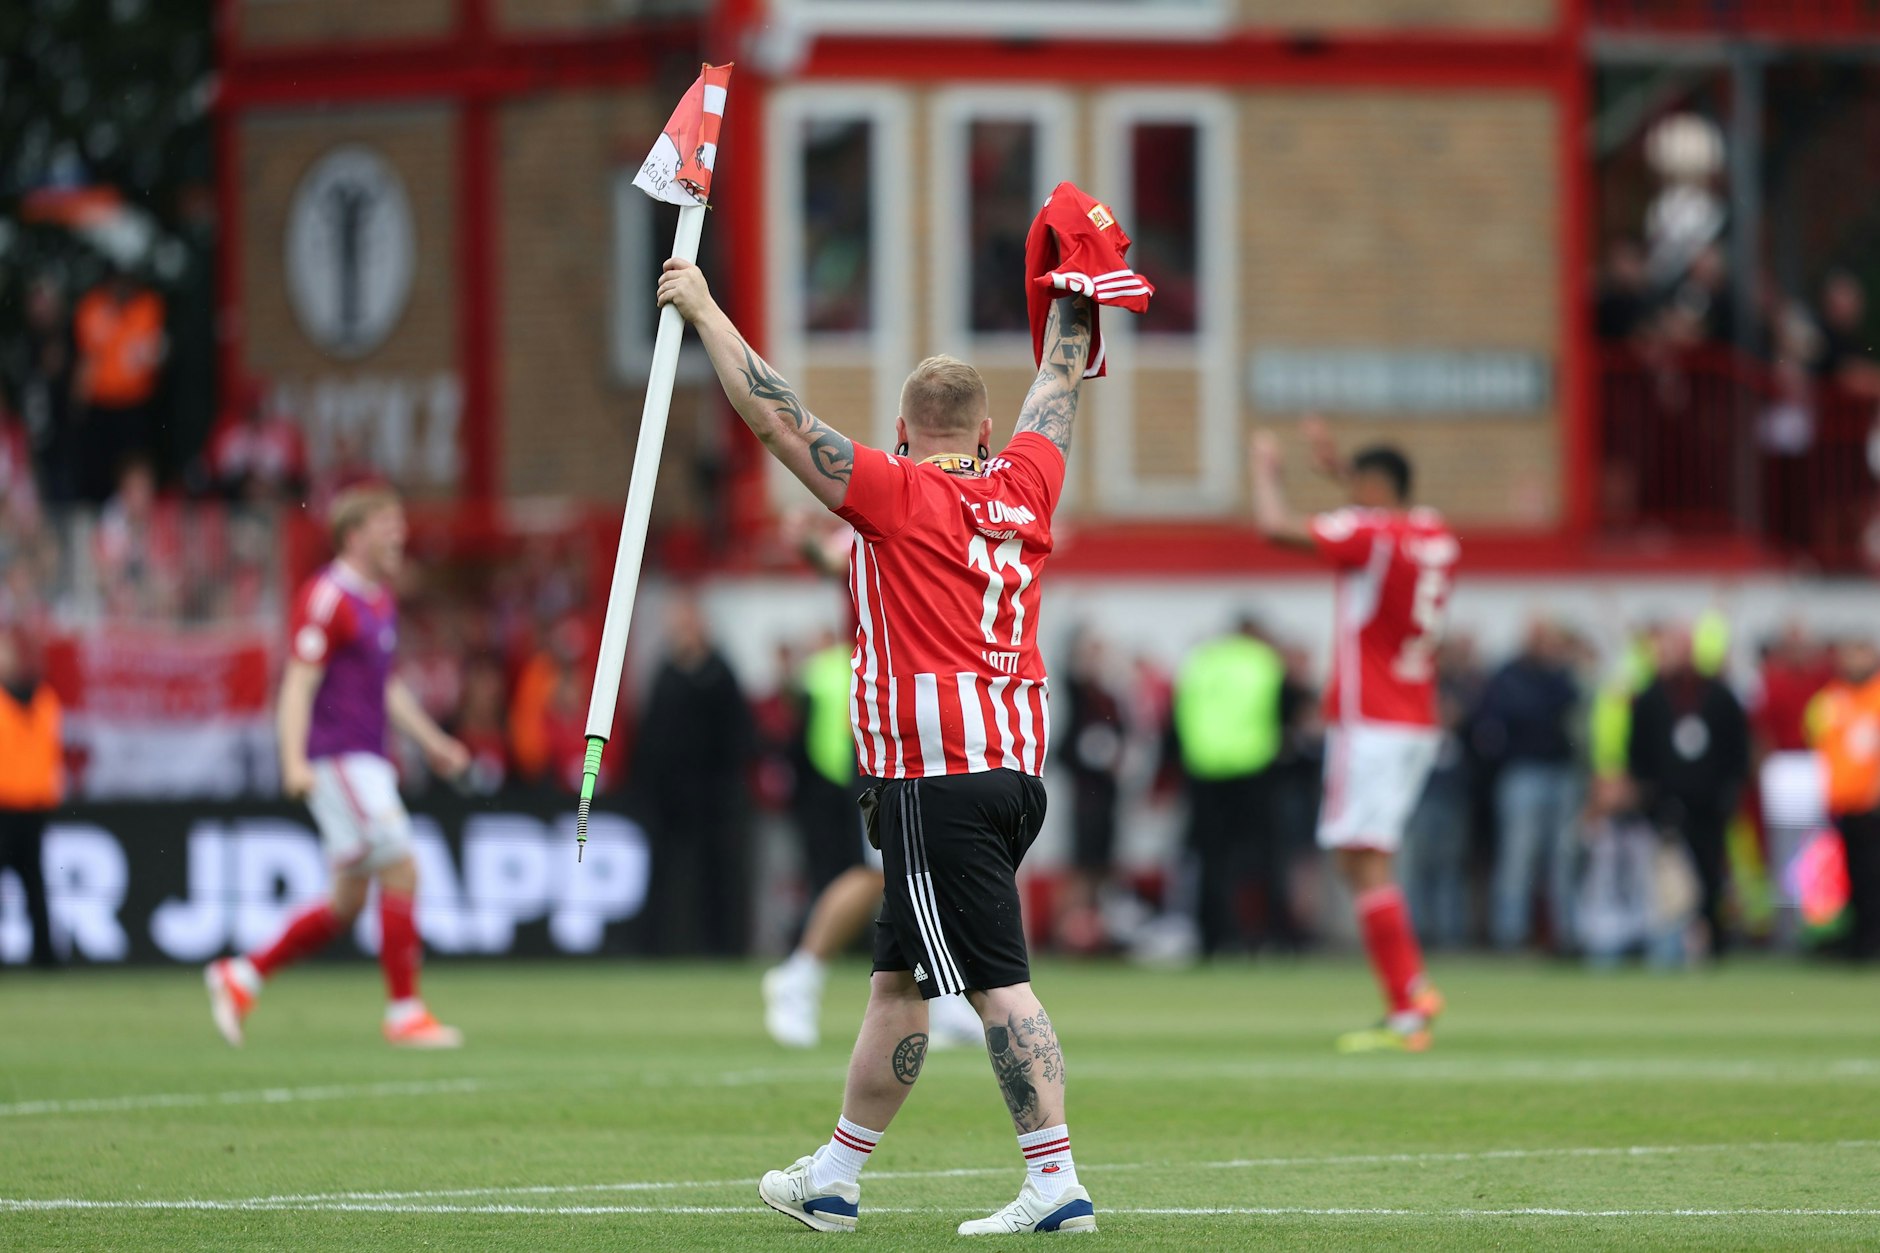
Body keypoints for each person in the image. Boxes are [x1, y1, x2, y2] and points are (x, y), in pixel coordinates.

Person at [658, 253, 1100, 1234]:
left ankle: (1053, 1178)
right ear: (983, 432)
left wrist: (700, 307)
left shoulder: (895, 493)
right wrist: (1073, 303)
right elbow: (1057, 386)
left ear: (903, 431)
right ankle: (835, 1173)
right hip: (1012, 766)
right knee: (895, 978)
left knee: (993, 980)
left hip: (931, 774)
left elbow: (774, 414)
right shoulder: (1023, 485)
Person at [204, 485, 470, 1047]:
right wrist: (293, 761)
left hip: (369, 759)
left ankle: (241, 975)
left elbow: (387, 686)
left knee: (346, 903)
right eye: (387, 524)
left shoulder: (379, 599)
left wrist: (432, 742)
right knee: (403, 866)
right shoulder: (328, 597)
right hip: (338, 759)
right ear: (355, 535)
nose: (399, 533)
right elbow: (298, 684)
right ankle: (405, 1014)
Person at [1247, 421, 1459, 1052]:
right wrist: (1343, 472)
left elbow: (1275, 528)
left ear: (1370, 489)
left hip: (1371, 720)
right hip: (1415, 718)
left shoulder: (1370, 533)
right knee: (1363, 858)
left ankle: (1408, 1002)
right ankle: (1410, 995)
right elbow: (1383, 512)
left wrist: (1266, 470)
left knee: (1362, 860)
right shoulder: (1435, 532)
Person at [762, 522, 983, 1051]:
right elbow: (832, 559)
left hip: (928, 721)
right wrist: (809, 543)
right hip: (888, 726)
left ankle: (944, 995)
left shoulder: (942, 519)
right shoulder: (880, 522)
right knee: (878, 870)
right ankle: (800, 975)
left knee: (930, 865)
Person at [1171, 617, 1294, 956]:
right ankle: (1269, 938)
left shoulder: (1200, 662)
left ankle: (1213, 939)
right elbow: (1286, 714)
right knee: (1264, 860)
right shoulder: (1264, 662)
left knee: (1212, 861)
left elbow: (1178, 715)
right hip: (1254, 770)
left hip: (1204, 770)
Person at [1627, 624, 1751, 959]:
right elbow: (1638, 751)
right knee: (1671, 877)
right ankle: (1671, 946)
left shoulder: (1717, 695)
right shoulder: (1652, 696)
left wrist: (1729, 790)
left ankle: (1715, 939)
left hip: (1709, 800)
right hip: (1667, 801)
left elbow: (1737, 747)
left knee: (1712, 870)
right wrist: (1648, 794)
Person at [1476, 619, 1585, 953]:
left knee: (1563, 858)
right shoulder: (1509, 675)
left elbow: (1573, 709)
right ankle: (1511, 934)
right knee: (1518, 857)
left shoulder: (1561, 674)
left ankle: (1566, 932)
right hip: (1522, 772)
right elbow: (1508, 717)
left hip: (1561, 773)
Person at [1054, 627, 1128, 953]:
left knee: (1102, 868)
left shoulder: (1108, 697)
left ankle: (1092, 935)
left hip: (1108, 796)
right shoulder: (1078, 694)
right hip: (1085, 796)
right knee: (1080, 868)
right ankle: (1064, 934)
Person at [1807, 637, 1880, 960]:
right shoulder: (1830, 700)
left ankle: (1871, 939)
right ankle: (1858, 940)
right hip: (1843, 805)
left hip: (1873, 805)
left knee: (1873, 875)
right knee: (1850, 877)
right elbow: (1818, 741)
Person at [72, 265, 166, 503]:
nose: (121, 287)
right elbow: (87, 359)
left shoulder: (148, 306)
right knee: (98, 467)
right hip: (101, 404)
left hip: (136, 404)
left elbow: (154, 352)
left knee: (135, 463)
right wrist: (78, 402)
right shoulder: (93, 307)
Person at [0, 626, 61, 968]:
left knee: (35, 887)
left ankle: (45, 957)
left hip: (33, 809)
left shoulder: (46, 700)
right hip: (2, 807)